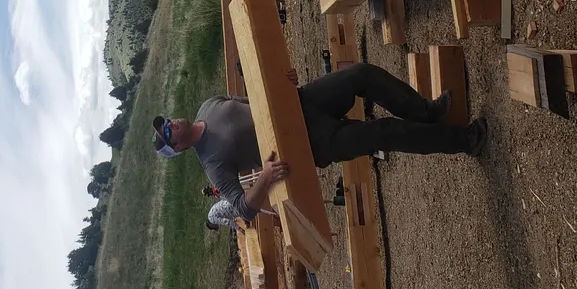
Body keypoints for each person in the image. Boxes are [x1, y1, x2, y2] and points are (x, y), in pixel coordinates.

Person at [152, 63, 487, 222]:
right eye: (168, 133)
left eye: (165, 123)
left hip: (302, 103)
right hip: (308, 143)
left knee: (361, 75)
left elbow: (255, 98)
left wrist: (283, 81)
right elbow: (241, 208)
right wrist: (266, 177)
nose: (170, 124)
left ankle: (428, 112)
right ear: (178, 148)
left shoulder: (207, 106)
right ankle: (464, 140)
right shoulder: (212, 164)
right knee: (383, 133)